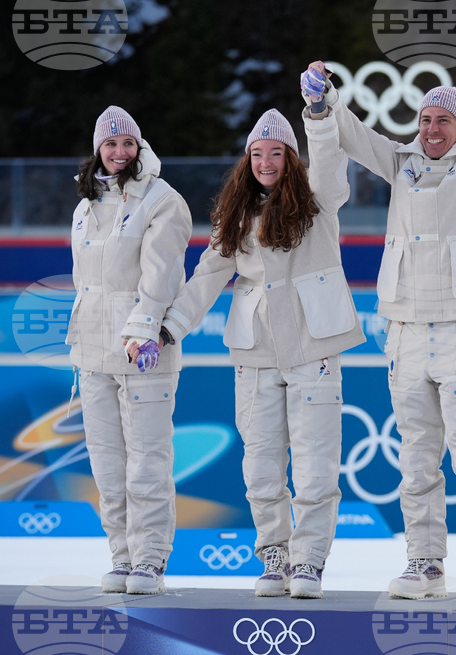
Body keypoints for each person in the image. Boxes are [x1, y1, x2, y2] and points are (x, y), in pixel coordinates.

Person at [298, 12, 456, 605]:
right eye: (426, 119)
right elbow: (355, 137)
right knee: (416, 461)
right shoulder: (402, 164)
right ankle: (425, 562)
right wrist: (322, 101)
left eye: (443, 121)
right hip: (404, 331)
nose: (432, 129)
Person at [160, 109, 364, 599]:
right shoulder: (235, 212)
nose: (266, 161)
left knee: (316, 464)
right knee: (261, 464)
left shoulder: (319, 201)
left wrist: (318, 116)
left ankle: (309, 561)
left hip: (313, 346)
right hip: (255, 353)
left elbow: (333, 164)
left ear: (292, 158)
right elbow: (209, 273)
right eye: (257, 153)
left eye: (276, 152)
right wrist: (170, 325)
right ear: (246, 160)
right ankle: (275, 555)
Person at [67, 106, 193, 594]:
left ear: (140, 147)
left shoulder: (162, 201)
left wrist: (144, 331)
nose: (119, 152)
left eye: (127, 143)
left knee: (147, 458)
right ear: (97, 149)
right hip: (92, 352)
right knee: (106, 460)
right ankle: (121, 556)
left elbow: (161, 277)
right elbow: (86, 284)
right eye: (109, 143)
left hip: (143, 350)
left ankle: (150, 560)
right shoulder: (84, 206)